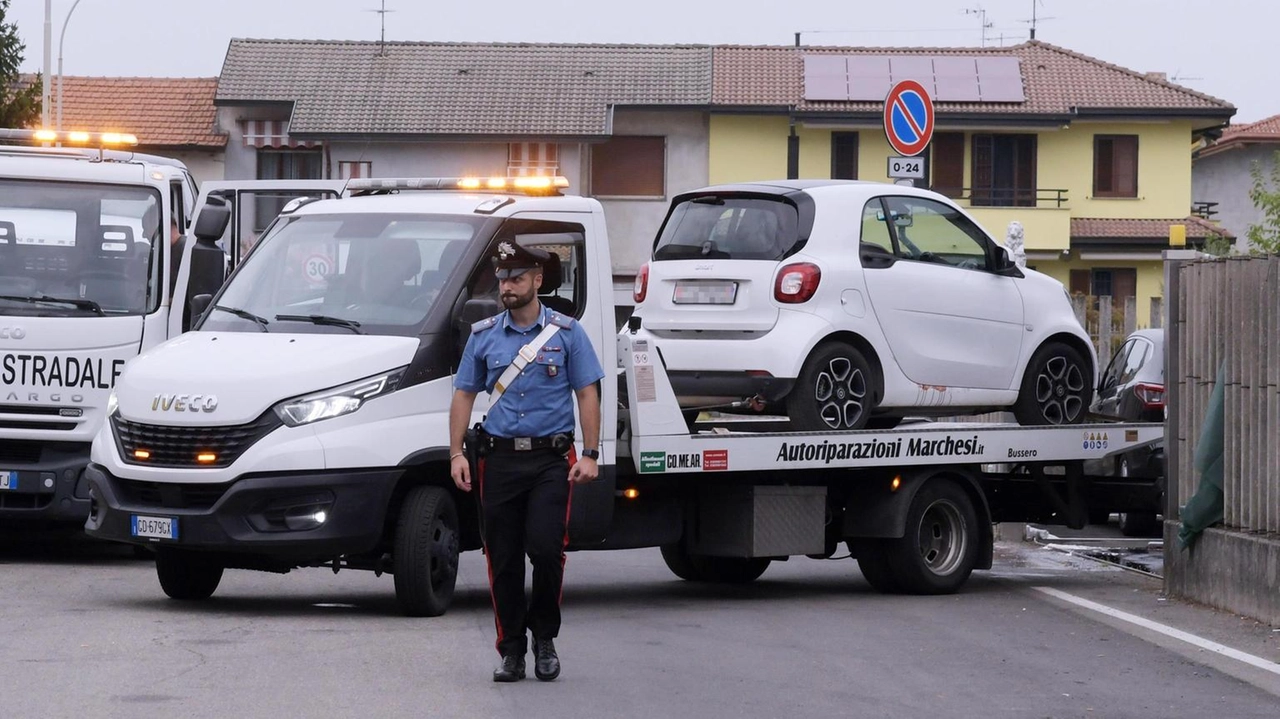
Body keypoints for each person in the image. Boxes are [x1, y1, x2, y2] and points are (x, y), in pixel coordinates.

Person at [449, 239, 605, 683]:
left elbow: (587, 392)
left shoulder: (567, 333)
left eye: (517, 278)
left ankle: (545, 639)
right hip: (497, 461)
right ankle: (512, 650)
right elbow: (463, 394)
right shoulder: (484, 336)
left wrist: (591, 453)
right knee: (503, 559)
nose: (507, 287)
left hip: (549, 462)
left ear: (537, 280)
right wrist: (456, 452)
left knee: (545, 550)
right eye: (502, 279)